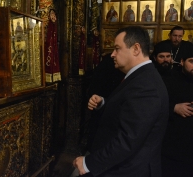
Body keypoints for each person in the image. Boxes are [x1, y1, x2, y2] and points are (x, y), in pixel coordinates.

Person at [73, 26, 169, 177]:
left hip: (129, 170)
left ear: (136, 49)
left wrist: (89, 163)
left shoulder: (146, 86)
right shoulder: (139, 77)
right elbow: (130, 110)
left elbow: (128, 140)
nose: (112, 54)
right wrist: (104, 103)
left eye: (117, 48)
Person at [161, 49, 193, 177]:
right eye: (191, 62)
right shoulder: (168, 80)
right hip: (174, 148)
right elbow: (155, 106)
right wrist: (174, 108)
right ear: (182, 61)